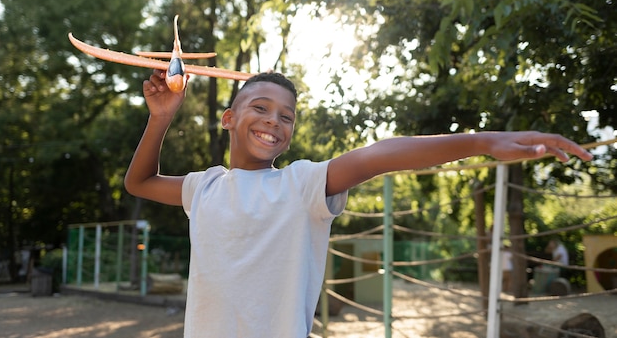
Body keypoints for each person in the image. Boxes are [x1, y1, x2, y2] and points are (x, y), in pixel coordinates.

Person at [124, 70, 593, 338]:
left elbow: (383, 153)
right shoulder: (202, 188)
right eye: (261, 107)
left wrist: (487, 142)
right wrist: (162, 117)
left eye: (286, 116)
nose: (274, 121)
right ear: (229, 118)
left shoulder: (301, 184)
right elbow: (139, 182)